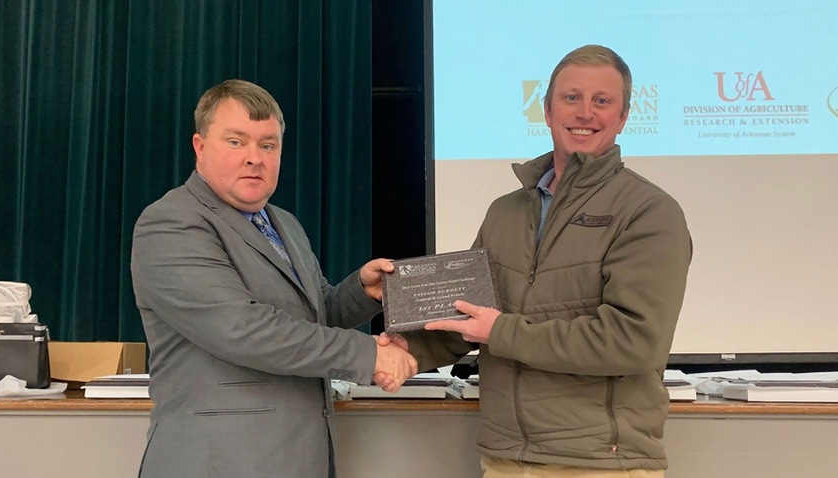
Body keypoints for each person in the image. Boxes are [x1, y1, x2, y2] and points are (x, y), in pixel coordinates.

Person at [387, 45, 692, 477]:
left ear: (623, 118)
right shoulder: (505, 211)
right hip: (506, 459)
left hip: (601, 464)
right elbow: (470, 317)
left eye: (602, 101)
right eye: (571, 98)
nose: (585, 112)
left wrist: (501, 331)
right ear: (547, 110)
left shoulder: (648, 212)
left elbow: (633, 342)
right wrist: (408, 350)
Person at [131, 79, 417, 478]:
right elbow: (242, 329)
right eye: (236, 142)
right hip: (218, 462)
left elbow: (313, 316)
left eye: (268, 145)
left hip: (298, 457)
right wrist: (369, 355)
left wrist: (362, 292)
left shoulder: (284, 223)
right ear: (199, 146)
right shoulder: (171, 223)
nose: (254, 158)